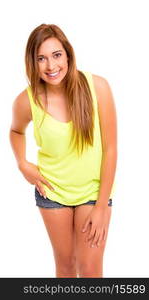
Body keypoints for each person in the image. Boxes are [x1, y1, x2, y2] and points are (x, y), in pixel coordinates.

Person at [9, 23, 117, 278]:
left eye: (57, 55)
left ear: (68, 53)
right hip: (53, 192)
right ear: (32, 63)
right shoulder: (26, 101)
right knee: (66, 267)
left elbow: (111, 148)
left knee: (90, 270)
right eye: (41, 58)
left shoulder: (98, 87)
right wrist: (22, 163)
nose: (51, 66)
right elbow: (15, 132)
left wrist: (102, 206)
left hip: (93, 191)